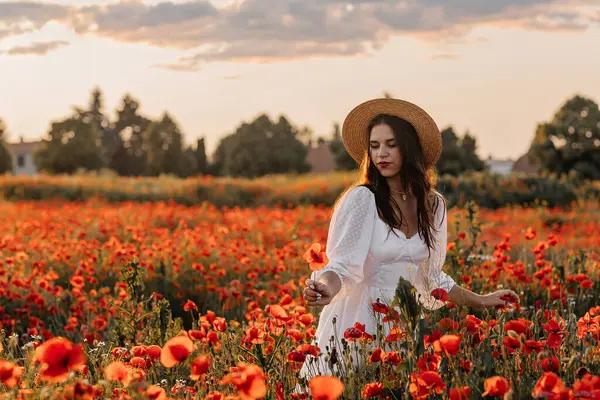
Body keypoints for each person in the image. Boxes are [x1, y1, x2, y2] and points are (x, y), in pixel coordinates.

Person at [298, 98, 519, 383]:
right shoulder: (363, 199)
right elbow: (342, 267)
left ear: (409, 148)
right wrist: (324, 289)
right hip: (356, 326)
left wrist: (483, 301)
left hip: (402, 325)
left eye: (391, 144)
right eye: (374, 146)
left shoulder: (433, 205)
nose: (381, 154)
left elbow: (431, 280)